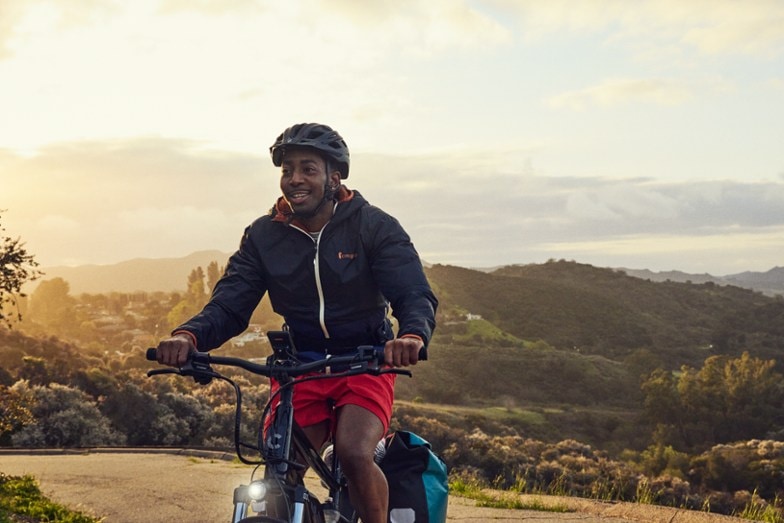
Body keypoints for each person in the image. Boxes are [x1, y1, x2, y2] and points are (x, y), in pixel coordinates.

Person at [155, 122, 438, 523]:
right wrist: (188, 335)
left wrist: (410, 335)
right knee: (278, 470)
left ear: (333, 176)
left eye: (308, 169)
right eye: (288, 170)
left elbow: (412, 292)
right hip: (299, 366)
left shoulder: (373, 226)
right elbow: (231, 303)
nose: (295, 180)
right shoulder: (264, 236)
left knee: (355, 453)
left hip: (365, 360)